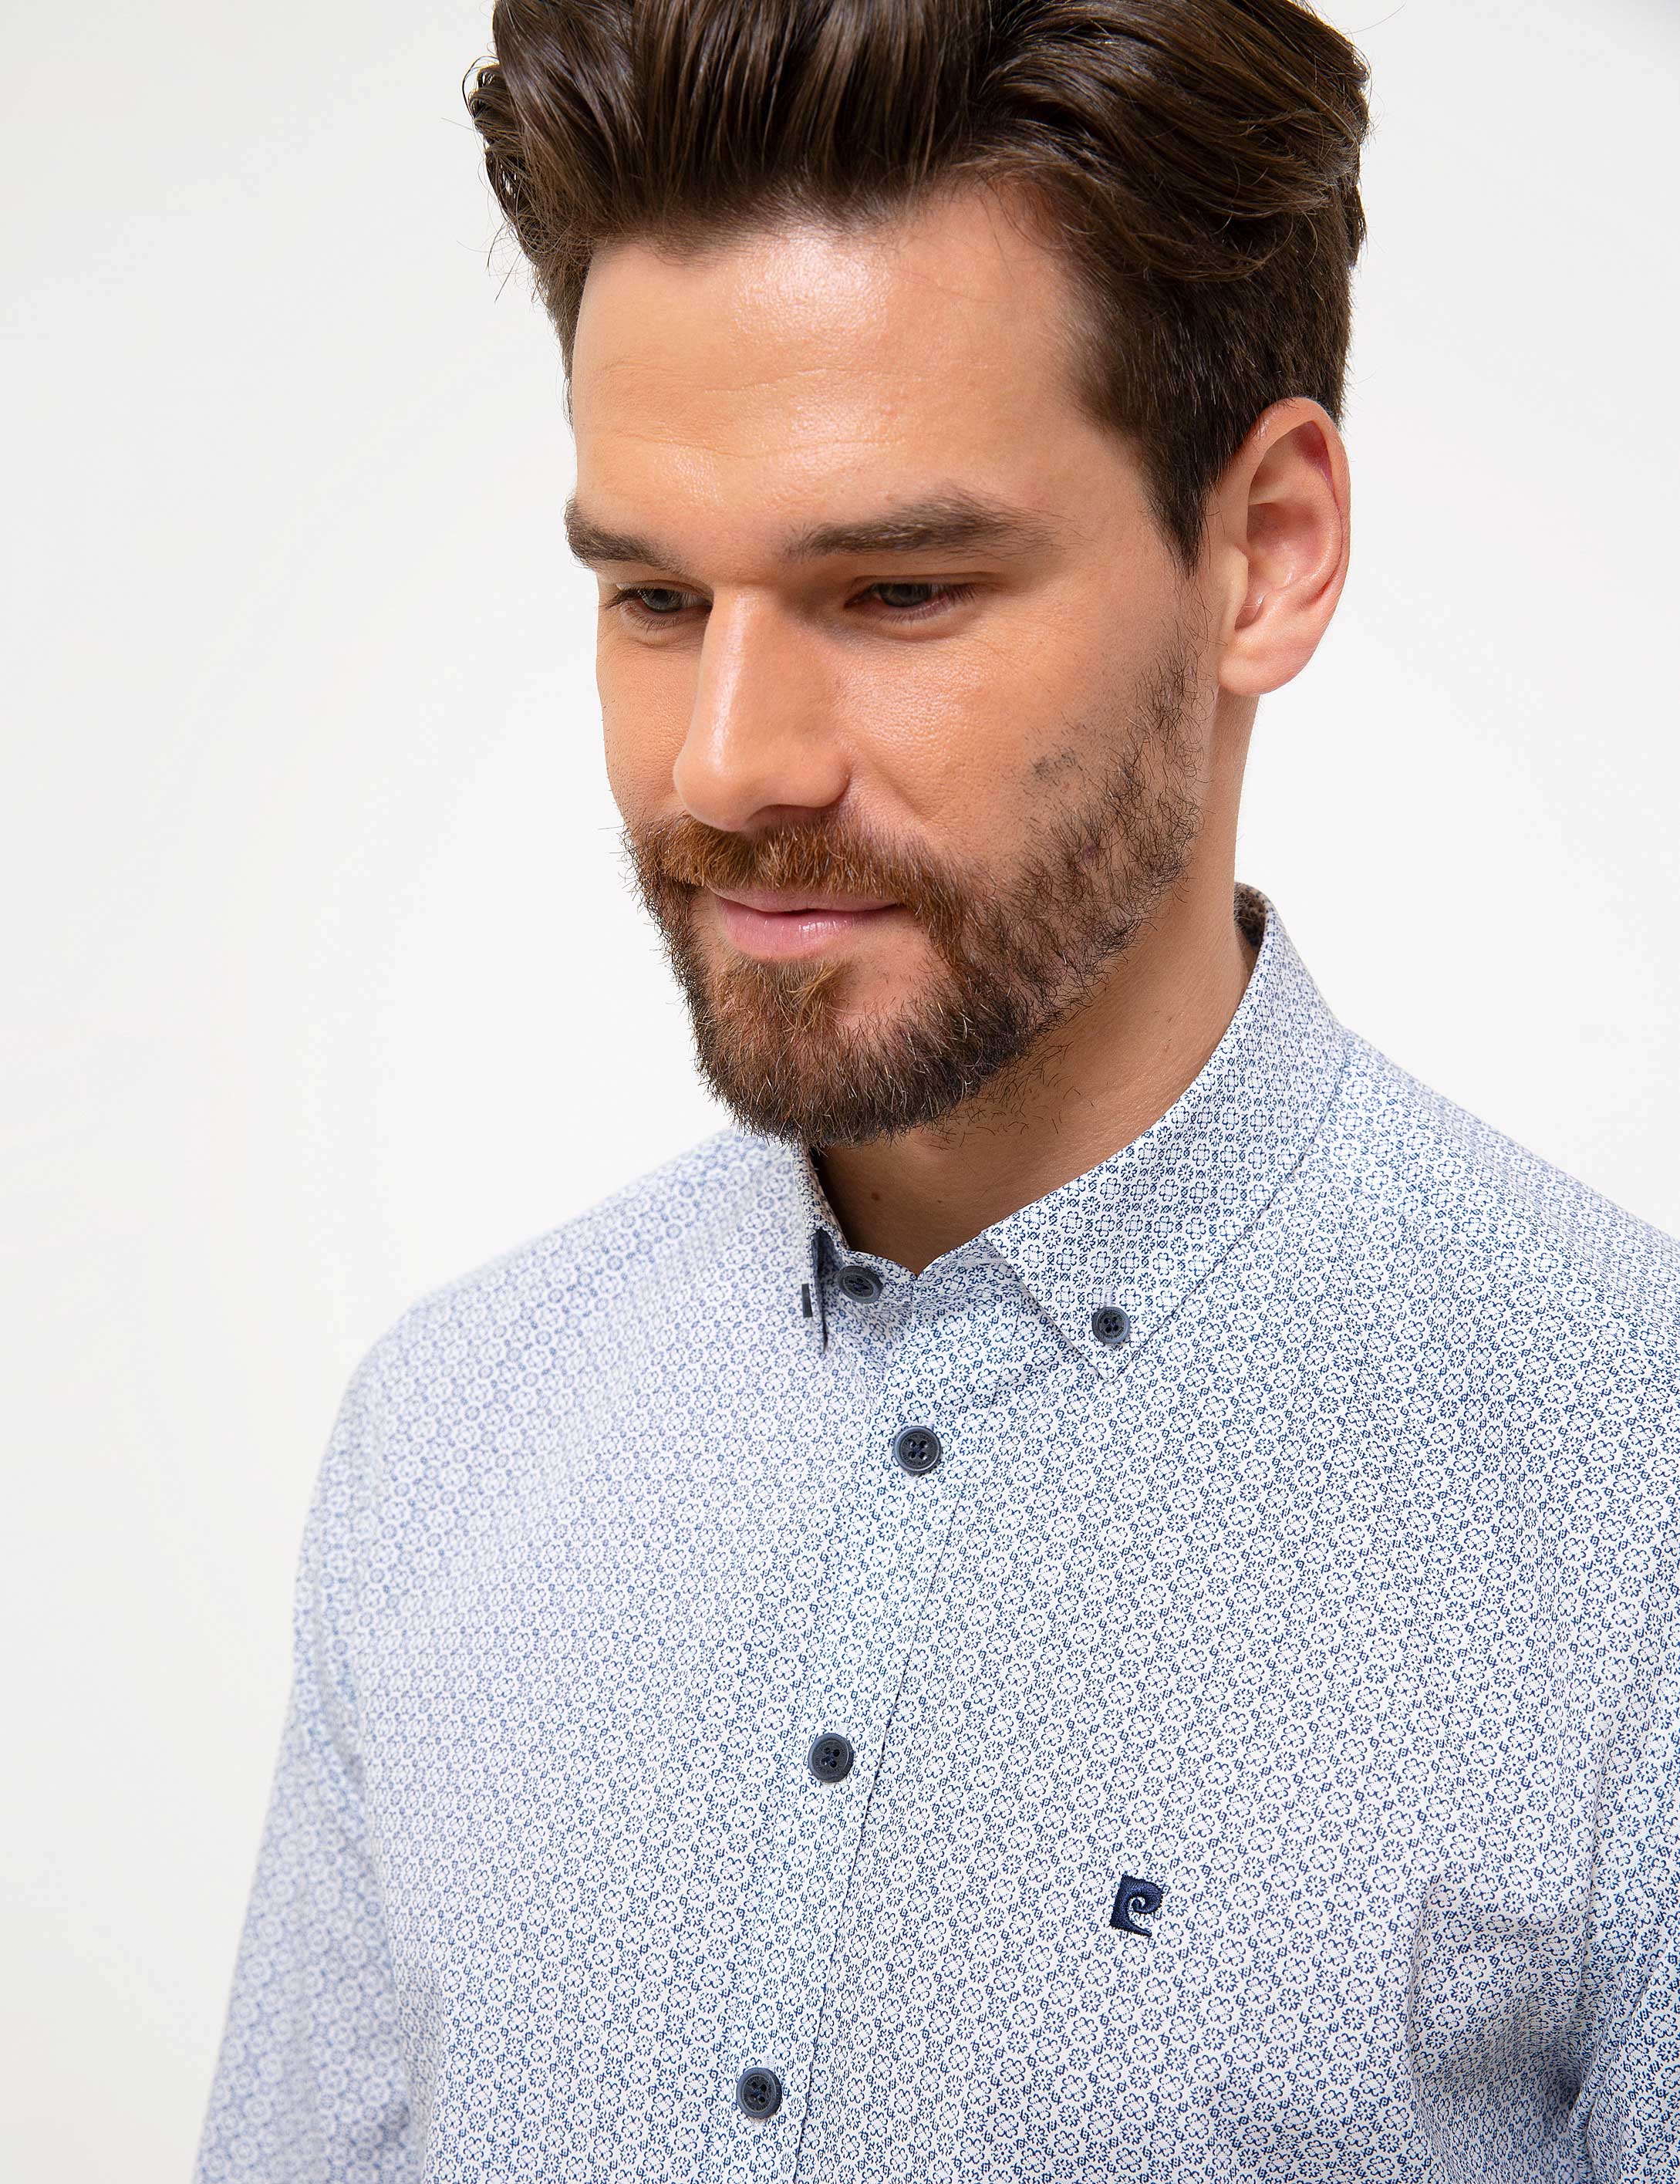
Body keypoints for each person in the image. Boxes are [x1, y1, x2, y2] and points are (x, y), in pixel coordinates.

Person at [195, 2, 1678, 2177]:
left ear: (1264, 548)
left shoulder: (1633, 1503)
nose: (727, 766)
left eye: (895, 589)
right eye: (654, 596)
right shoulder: (446, 1440)